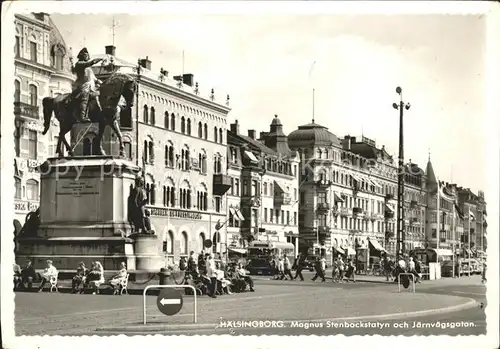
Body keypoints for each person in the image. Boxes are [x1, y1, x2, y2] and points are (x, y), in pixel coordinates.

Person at [71, 47, 104, 122]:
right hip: (83, 86)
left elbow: (94, 79)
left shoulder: (89, 69)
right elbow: (89, 63)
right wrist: (98, 60)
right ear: (82, 56)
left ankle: (99, 113)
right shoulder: (79, 64)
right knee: (85, 96)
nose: (86, 56)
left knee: (100, 95)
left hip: (91, 87)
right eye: (85, 55)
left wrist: (101, 83)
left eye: (87, 55)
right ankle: (82, 116)